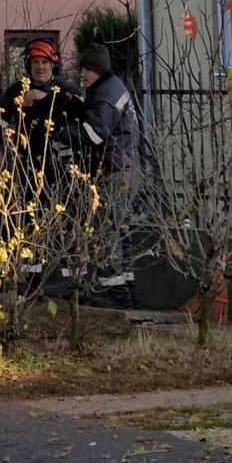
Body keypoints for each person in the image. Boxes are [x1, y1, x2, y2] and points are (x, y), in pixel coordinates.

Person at [77, 41, 139, 290]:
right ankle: (127, 288)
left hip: (115, 171)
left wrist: (61, 134)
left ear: (98, 69)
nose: (82, 74)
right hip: (128, 167)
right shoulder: (113, 87)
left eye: (87, 69)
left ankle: (113, 290)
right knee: (121, 230)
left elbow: (95, 133)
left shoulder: (104, 95)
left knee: (107, 229)